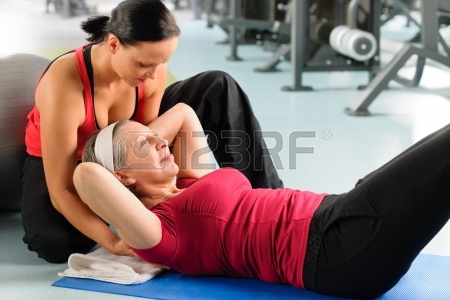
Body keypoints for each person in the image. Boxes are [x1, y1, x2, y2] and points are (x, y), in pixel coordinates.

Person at [77, 102, 450, 299]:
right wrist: (113, 233)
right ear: (121, 177)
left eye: (157, 137)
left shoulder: (194, 180)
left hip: (342, 213)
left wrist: (139, 142)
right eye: (147, 144)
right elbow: (85, 174)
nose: (161, 141)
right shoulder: (160, 234)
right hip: (337, 249)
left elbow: (184, 114)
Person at [21, 0, 282, 264]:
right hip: (68, 161)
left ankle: (266, 200)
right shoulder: (63, 85)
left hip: (126, 145)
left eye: (162, 63)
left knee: (218, 86)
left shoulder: (151, 73)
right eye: (145, 64)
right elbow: (62, 190)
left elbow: (147, 139)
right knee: (56, 243)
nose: (155, 74)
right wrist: (112, 242)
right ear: (113, 45)